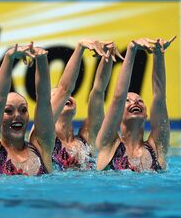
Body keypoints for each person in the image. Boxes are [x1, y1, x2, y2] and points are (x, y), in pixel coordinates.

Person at [0, 43, 54, 176]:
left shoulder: (41, 147)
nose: (17, 115)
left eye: (23, 110)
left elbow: (44, 100)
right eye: (8, 111)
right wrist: (9, 58)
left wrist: (41, 60)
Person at [96, 37, 176, 171]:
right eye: (127, 101)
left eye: (140, 101)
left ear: (146, 115)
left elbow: (159, 97)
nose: (135, 102)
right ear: (117, 114)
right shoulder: (108, 144)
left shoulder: (157, 147)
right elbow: (118, 98)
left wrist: (159, 54)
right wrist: (131, 50)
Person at [51, 40, 122, 170]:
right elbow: (64, 89)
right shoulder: (43, 135)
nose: (67, 97)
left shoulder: (86, 139)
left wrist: (108, 56)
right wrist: (80, 48)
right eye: (56, 97)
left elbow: (98, 91)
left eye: (69, 96)